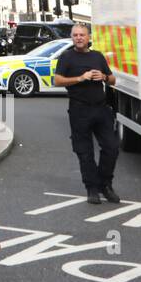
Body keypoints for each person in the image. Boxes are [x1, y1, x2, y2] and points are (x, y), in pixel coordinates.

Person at [54, 23, 119, 205]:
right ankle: (92, 188)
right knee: (85, 152)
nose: (79, 38)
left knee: (111, 147)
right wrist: (79, 78)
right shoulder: (67, 57)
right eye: (75, 35)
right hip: (79, 109)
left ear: (89, 37)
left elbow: (113, 79)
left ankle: (105, 184)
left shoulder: (97, 56)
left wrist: (104, 77)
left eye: (82, 35)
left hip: (101, 108)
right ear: (72, 37)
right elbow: (57, 81)